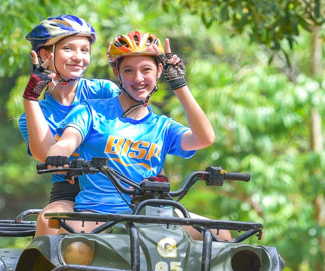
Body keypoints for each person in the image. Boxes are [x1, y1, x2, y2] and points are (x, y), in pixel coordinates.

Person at [44, 30, 231, 240]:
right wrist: (58, 152)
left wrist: (178, 83)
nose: (138, 78)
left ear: (160, 71)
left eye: (146, 70)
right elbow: (69, 140)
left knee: (220, 234)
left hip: (151, 215)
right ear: (117, 72)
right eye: (129, 70)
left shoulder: (162, 126)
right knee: (68, 239)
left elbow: (204, 138)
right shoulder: (90, 111)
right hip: (97, 214)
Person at [20, 15, 120, 236]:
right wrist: (30, 98)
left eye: (85, 50)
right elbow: (45, 155)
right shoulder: (37, 112)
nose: (79, 57)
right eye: (68, 49)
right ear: (45, 54)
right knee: (49, 220)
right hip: (70, 193)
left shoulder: (104, 91)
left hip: (119, 187)